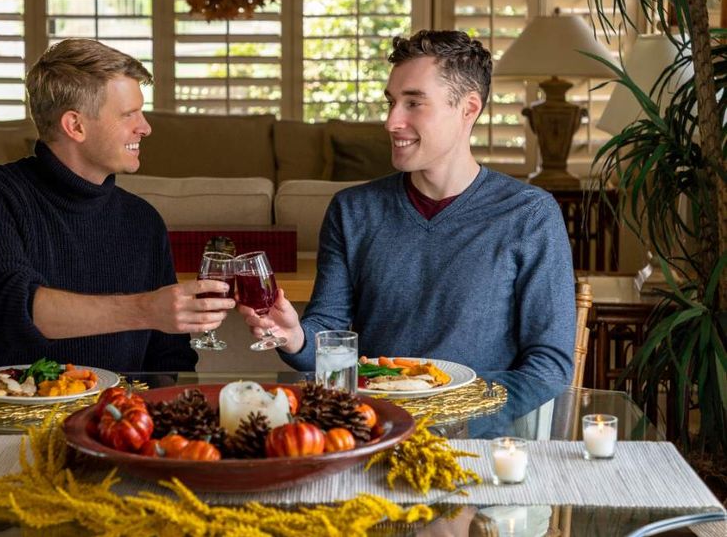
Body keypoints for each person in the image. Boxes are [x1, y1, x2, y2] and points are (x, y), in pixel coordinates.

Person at [239, 30, 576, 419]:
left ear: (468, 108)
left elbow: (548, 367)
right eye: (391, 102)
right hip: (372, 430)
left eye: (413, 103)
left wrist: (454, 423)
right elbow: (329, 334)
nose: (391, 121)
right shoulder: (352, 211)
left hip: (475, 440)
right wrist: (296, 337)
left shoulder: (530, 215)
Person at [0, 39, 234, 372]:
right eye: (129, 114)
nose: (145, 128)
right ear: (76, 126)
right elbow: (10, 311)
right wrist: (146, 309)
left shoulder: (142, 220)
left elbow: (170, 358)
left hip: (116, 420)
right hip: (6, 417)